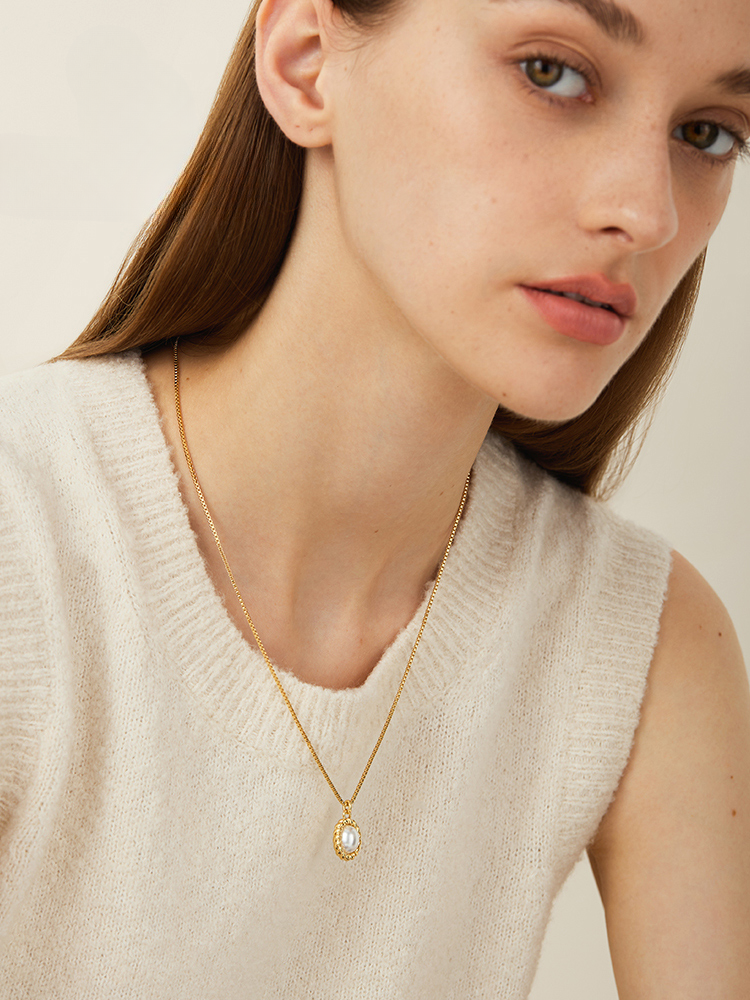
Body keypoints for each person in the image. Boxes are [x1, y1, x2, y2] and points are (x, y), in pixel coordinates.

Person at [0, 0, 749, 996]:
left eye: (708, 133)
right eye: (552, 73)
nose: (649, 214)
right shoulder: (27, 540)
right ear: (306, 62)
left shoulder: (642, 644)